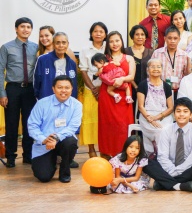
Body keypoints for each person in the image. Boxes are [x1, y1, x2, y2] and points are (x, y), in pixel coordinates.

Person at [143, 97, 192, 192]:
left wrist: (175, 172)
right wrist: (172, 170)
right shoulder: (166, 130)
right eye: (178, 111)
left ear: (191, 114)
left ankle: (163, 183)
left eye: (185, 111)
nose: (181, 114)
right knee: (145, 162)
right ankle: (179, 186)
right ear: (174, 113)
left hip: (188, 171)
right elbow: (162, 156)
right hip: (169, 169)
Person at [27, 75, 81, 183]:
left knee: (70, 142)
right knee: (43, 177)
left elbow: (72, 127)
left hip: (63, 140)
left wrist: (55, 138)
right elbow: (32, 125)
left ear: (72, 89)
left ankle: (64, 171)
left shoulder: (77, 105)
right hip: (44, 144)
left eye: (67, 87)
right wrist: (43, 139)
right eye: (60, 87)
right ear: (53, 88)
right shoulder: (42, 103)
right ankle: (52, 160)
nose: (63, 91)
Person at [0, 17, 38, 167]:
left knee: (29, 123)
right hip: (12, 89)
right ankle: (10, 156)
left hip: (30, 89)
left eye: (28, 27)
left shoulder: (36, 47)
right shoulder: (6, 47)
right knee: (11, 123)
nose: (25, 29)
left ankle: (28, 155)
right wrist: (2, 93)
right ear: (16, 29)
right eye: (22, 26)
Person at [98, 31, 135, 157]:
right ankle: (107, 153)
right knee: (108, 125)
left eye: (117, 40)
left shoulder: (129, 58)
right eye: (111, 41)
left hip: (125, 96)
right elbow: (99, 74)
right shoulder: (104, 59)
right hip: (108, 96)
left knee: (123, 126)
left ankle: (124, 153)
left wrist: (122, 79)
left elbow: (131, 76)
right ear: (108, 43)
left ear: (122, 41)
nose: (114, 44)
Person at [77, 21, 107, 159]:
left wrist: (101, 87)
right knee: (90, 119)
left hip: (107, 88)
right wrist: (94, 88)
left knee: (104, 120)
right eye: (95, 31)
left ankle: (105, 149)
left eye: (101, 31)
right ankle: (91, 149)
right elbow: (83, 71)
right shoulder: (85, 50)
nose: (98, 34)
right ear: (91, 33)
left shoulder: (109, 48)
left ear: (105, 34)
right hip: (90, 90)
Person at [137, 58, 174, 154]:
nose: (156, 69)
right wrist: (150, 119)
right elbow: (141, 106)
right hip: (147, 115)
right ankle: (155, 154)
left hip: (163, 116)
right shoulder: (143, 84)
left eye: (158, 67)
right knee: (159, 131)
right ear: (147, 70)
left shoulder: (166, 86)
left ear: (162, 69)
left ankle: (161, 155)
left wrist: (157, 117)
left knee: (164, 130)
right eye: (152, 67)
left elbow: (170, 107)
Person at [33, 32, 78, 100]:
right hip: (47, 101)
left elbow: (74, 85)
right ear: (53, 44)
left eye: (64, 42)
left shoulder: (72, 63)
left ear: (68, 44)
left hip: (66, 102)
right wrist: (40, 99)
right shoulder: (42, 60)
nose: (61, 45)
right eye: (58, 43)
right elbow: (36, 82)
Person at [150, 26, 190, 93]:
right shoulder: (157, 53)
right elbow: (150, 72)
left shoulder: (184, 55)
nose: (172, 41)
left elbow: (186, 74)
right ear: (165, 38)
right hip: (160, 90)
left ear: (179, 39)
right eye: (169, 38)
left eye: (175, 38)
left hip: (179, 91)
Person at [125, 25, 152, 97]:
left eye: (142, 34)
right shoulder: (126, 52)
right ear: (132, 37)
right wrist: (135, 86)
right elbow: (124, 71)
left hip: (147, 89)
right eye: (137, 34)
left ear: (146, 37)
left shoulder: (151, 52)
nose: (140, 37)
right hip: (128, 88)